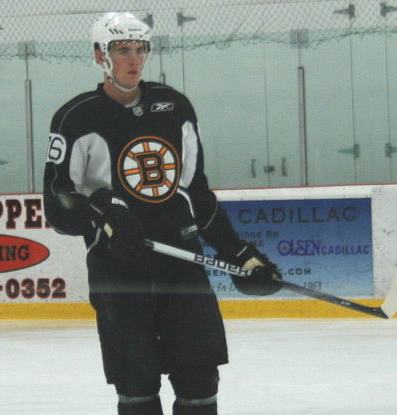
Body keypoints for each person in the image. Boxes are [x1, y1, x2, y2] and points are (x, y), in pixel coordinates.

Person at [43, 11, 282, 415]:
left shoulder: (174, 108)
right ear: (101, 55)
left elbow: (197, 194)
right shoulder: (77, 117)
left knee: (200, 381)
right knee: (136, 387)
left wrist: (239, 253)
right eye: (122, 50)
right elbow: (58, 203)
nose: (134, 60)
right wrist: (100, 211)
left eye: (140, 49)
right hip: (118, 272)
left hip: (181, 266)